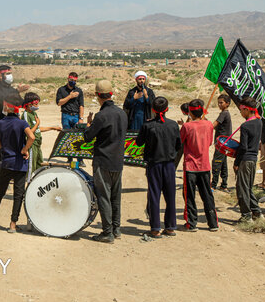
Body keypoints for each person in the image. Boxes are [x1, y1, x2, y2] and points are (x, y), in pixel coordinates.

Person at [0, 93, 35, 233]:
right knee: (18, 194)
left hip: (6, 162)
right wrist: (25, 149)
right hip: (20, 163)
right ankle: (13, 224)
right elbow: (32, 137)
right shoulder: (22, 123)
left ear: (6, 106)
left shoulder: (0, 123)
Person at [84, 80, 128, 243]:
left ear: (97, 95)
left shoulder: (101, 115)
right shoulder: (122, 113)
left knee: (103, 196)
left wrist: (88, 124)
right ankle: (116, 229)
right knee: (115, 197)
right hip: (118, 160)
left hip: (103, 161)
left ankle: (107, 232)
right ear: (111, 94)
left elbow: (88, 136)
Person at [136, 96, 181, 238]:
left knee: (154, 195)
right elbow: (178, 145)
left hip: (154, 164)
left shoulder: (147, 125)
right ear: (167, 109)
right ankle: (170, 227)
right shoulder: (173, 125)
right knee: (170, 195)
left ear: (153, 110)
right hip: (169, 164)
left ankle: (155, 228)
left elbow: (138, 142)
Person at [180, 99, 219, 232]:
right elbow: (208, 143)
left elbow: (180, 141)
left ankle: (192, 223)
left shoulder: (187, 126)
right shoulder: (209, 125)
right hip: (205, 165)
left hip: (190, 166)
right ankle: (213, 223)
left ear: (190, 112)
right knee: (207, 195)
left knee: (189, 196)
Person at [0, 65, 28, 172]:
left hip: (15, 122)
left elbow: (20, 103)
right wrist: (17, 91)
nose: (10, 76)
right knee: (1, 148)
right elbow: (3, 100)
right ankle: (1, 173)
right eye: (7, 74)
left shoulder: (12, 89)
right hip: (2, 122)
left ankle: (13, 171)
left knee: (16, 146)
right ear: (0, 76)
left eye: (10, 73)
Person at [233, 97, 264, 223]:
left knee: (242, 188)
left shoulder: (245, 126)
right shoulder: (259, 122)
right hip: (253, 159)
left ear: (246, 109)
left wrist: (236, 162)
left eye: (241, 110)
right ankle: (256, 212)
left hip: (245, 160)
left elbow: (243, 147)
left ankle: (246, 215)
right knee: (247, 187)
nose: (241, 113)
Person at [21, 92, 61, 176]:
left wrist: (52, 128)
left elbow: (38, 130)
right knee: (31, 168)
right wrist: (37, 123)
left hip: (38, 144)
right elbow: (29, 132)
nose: (37, 105)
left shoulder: (34, 113)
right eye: (36, 103)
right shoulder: (26, 115)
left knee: (39, 165)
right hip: (31, 145)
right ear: (29, 104)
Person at [211, 94, 232, 191]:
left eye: (221, 102)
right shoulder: (224, 113)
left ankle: (213, 185)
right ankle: (224, 184)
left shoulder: (224, 113)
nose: (219, 104)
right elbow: (216, 127)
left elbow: (214, 125)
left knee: (216, 162)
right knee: (223, 163)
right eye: (218, 102)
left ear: (227, 104)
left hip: (222, 143)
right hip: (224, 143)